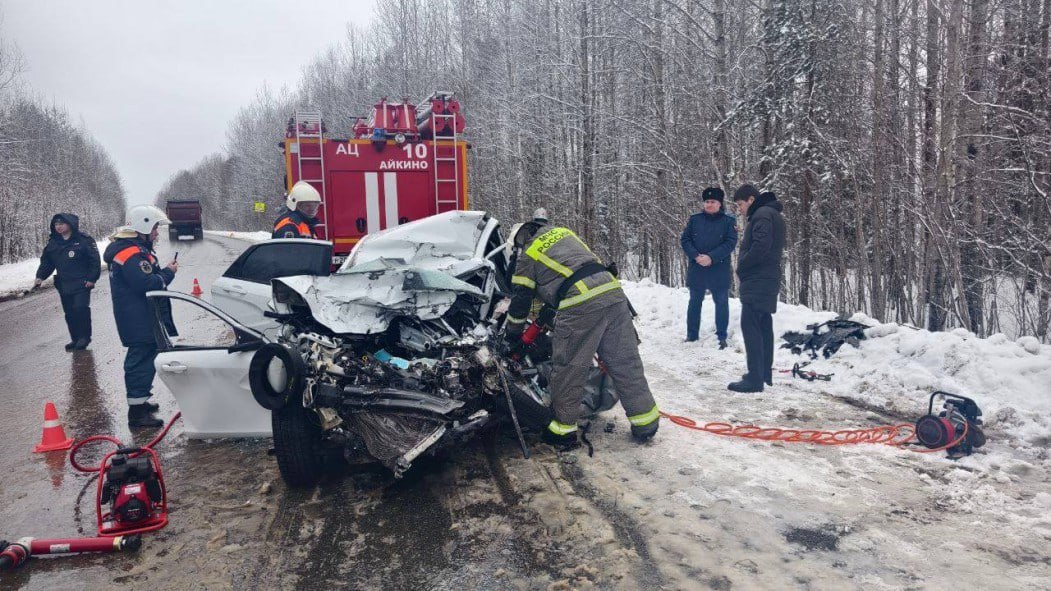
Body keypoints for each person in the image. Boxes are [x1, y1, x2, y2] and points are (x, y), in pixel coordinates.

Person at [503, 217, 660, 446]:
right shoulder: (564, 234)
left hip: (580, 302)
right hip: (613, 294)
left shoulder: (528, 253)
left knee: (569, 369)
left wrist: (512, 335)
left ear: (519, 242)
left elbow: (521, 301)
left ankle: (563, 431)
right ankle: (646, 424)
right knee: (625, 362)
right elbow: (579, 268)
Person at [103, 205, 178, 428]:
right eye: (154, 228)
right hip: (139, 317)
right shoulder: (132, 254)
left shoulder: (133, 250)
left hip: (138, 315)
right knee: (140, 362)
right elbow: (147, 284)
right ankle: (136, 414)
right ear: (143, 227)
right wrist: (168, 273)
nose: (156, 233)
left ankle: (141, 402)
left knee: (145, 358)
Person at [728, 187, 786, 393]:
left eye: (740, 205)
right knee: (763, 325)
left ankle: (754, 379)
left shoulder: (762, 215)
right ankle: (763, 373)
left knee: (751, 325)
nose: (740, 210)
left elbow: (761, 246)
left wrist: (743, 264)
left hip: (759, 278)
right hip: (766, 277)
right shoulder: (771, 214)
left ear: (751, 199)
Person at [680, 187, 738, 348]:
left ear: (720, 204)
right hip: (697, 267)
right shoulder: (695, 220)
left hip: (719, 268)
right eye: (707, 201)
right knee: (694, 302)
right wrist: (696, 256)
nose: (709, 204)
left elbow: (730, 243)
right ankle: (692, 335)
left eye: (713, 202)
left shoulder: (728, 221)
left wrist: (711, 257)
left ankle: (721, 336)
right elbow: (685, 240)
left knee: (721, 303)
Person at [34, 213, 102, 351]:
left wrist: (92, 278)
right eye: (56, 224)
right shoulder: (54, 242)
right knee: (69, 312)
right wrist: (40, 276)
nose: (58, 227)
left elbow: (94, 260)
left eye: (61, 224)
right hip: (64, 284)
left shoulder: (84, 240)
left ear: (70, 224)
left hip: (82, 282)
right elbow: (47, 262)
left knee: (80, 308)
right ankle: (75, 339)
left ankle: (84, 337)